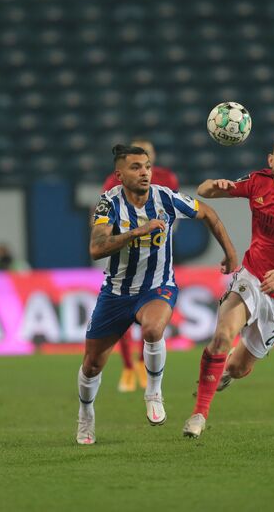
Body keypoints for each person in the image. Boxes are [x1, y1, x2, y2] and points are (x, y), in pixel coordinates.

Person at [77, 144, 237, 445]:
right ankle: (86, 416)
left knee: (153, 329)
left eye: (147, 166)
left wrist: (231, 254)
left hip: (157, 286)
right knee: (92, 364)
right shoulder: (108, 204)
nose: (144, 172)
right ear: (119, 174)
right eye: (136, 167)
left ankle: (153, 392)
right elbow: (97, 248)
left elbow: (209, 214)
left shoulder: (166, 197)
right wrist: (136, 233)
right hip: (116, 293)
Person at [183, 133, 274, 439]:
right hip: (252, 274)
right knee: (222, 336)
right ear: (270, 160)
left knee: (238, 368)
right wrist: (215, 185)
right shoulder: (258, 182)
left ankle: (226, 370)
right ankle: (199, 414)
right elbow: (204, 191)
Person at [101, 138, 179, 394]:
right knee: (121, 312)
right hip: (124, 256)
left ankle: (142, 366)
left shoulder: (167, 179)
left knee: (152, 318)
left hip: (155, 252)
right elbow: (104, 212)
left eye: (149, 156)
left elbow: (174, 213)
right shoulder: (115, 182)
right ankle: (127, 367)